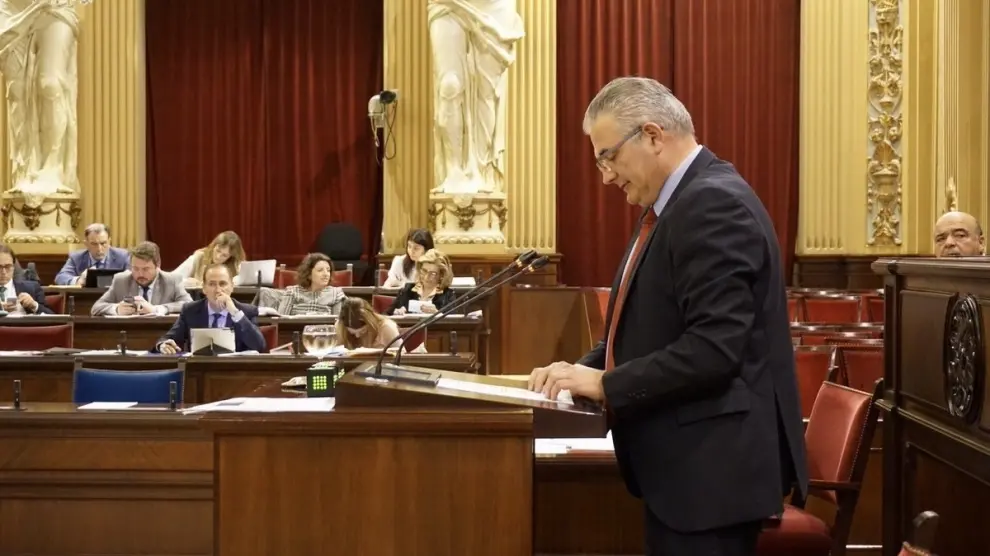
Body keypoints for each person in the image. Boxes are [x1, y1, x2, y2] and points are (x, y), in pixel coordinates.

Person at [527, 77, 807, 555]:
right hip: (686, 472)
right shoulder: (673, 203)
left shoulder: (712, 203)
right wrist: (578, 371)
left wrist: (606, 384)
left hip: (711, 477)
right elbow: (642, 329)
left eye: (608, 157)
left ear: (653, 136)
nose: (606, 177)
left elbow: (714, 349)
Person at [154, 263, 264, 354]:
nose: (218, 290)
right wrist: (163, 345)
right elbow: (168, 338)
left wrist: (234, 312)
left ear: (232, 287)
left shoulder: (246, 311)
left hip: (234, 371)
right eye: (212, 284)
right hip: (199, 369)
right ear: (204, 288)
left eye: (223, 284)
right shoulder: (190, 311)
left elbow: (259, 345)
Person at [91, 241, 192, 316]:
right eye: (135, 268)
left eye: (145, 269)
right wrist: (117, 309)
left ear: (158, 265)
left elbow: (189, 305)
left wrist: (157, 309)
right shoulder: (121, 281)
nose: (140, 274)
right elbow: (96, 308)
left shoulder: (172, 280)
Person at [261, 253, 346, 316]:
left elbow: (338, 323)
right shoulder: (292, 292)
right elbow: (281, 320)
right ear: (308, 274)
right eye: (320, 270)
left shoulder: (336, 294)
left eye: (328, 270)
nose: (326, 274)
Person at [54, 223, 130, 285]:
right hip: (85, 298)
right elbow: (60, 278)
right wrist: (78, 280)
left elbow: (131, 278)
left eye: (103, 243)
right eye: (94, 244)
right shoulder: (76, 257)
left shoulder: (123, 256)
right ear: (86, 244)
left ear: (109, 241)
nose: (99, 249)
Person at [386, 248, 456, 316]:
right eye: (424, 271)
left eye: (433, 273)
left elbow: (453, 321)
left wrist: (437, 313)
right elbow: (386, 314)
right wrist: (395, 312)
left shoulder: (448, 295)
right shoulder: (407, 290)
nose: (426, 277)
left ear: (441, 275)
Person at [171, 231, 247, 287]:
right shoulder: (198, 257)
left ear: (231, 257)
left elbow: (245, 280)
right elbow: (171, 279)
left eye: (224, 255)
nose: (218, 256)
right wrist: (186, 282)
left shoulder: (236, 264)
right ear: (214, 246)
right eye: (217, 251)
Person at [0, 244, 51, 314]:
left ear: (14, 266)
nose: (3, 272)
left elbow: (52, 316)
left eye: (8, 266)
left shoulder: (32, 288)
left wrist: (34, 306)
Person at [335, 298, 401, 350]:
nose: (357, 336)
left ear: (370, 322)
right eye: (352, 333)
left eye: (363, 331)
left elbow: (401, 355)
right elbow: (336, 354)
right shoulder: (340, 327)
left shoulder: (387, 327)